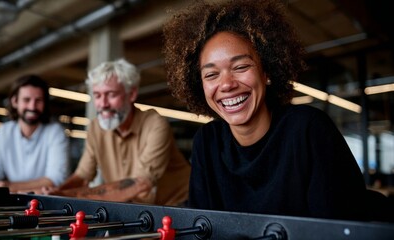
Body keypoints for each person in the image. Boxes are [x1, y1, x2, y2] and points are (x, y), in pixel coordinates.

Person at [162, 0, 380, 221]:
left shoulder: (308, 131)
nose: (226, 84)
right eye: (211, 74)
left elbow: (338, 231)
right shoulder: (207, 143)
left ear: (266, 72)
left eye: (240, 67)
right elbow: (202, 229)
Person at [46, 59, 191, 206]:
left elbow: (140, 184)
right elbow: (83, 175)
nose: (103, 104)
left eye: (111, 94)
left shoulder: (155, 124)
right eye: (97, 95)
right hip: (133, 204)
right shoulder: (95, 128)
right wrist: (55, 193)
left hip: (179, 204)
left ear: (132, 94)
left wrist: (69, 195)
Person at [0, 75, 69, 192]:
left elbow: (55, 179)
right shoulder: (5, 131)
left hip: (45, 203)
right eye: (27, 100)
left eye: (38, 101)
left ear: (45, 103)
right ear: (15, 101)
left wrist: (7, 186)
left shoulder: (55, 132)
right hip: (12, 203)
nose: (32, 106)